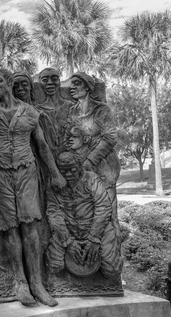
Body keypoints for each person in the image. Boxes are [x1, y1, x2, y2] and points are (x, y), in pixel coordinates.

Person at [0, 68, 66, 307]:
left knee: (30, 226)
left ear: (10, 82)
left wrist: (55, 173)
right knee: (11, 228)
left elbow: (42, 145)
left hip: (26, 171)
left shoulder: (30, 112)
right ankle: (20, 282)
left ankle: (37, 283)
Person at [46, 151, 123, 278]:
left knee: (111, 271)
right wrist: (67, 241)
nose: (69, 174)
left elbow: (103, 207)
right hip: (68, 232)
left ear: (79, 166)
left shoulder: (91, 179)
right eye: (63, 171)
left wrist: (94, 238)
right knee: (54, 266)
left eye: (73, 169)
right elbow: (53, 212)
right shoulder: (53, 184)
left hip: (98, 230)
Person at [68, 72, 121, 245]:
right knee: (88, 212)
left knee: (109, 213)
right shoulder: (72, 111)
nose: (72, 87)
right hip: (81, 170)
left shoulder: (101, 110)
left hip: (103, 167)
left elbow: (110, 137)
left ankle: (111, 254)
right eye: (71, 84)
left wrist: (90, 160)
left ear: (87, 87)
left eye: (76, 83)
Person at [36, 68, 75, 155]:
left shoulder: (71, 106)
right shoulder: (37, 110)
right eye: (45, 80)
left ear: (59, 82)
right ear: (40, 84)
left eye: (54, 79)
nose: (50, 82)